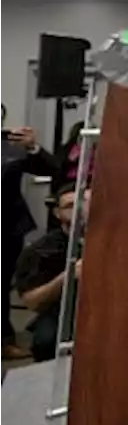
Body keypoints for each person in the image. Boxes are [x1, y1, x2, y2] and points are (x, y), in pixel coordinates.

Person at [1, 126, 60, 361]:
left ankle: (4, 342)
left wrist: (33, 147)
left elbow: (51, 169)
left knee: (1, 284)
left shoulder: (10, 143)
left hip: (6, 227)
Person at [14, 184, 87, 362]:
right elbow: (31, 301)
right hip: (59, 310)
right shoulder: (41, 250)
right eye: (69, 206)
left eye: (82, 203)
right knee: (46, 342)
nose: (78, 210)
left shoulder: (111, 240)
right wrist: (66, 277)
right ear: (57, 213)